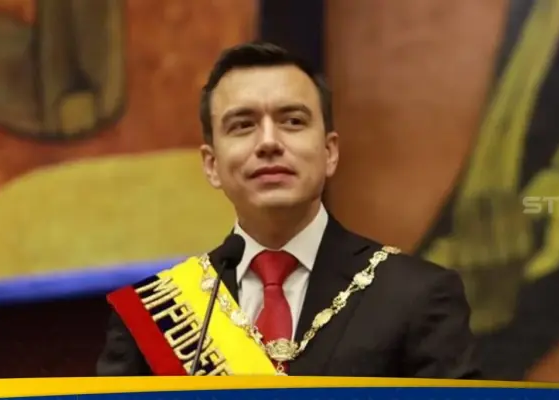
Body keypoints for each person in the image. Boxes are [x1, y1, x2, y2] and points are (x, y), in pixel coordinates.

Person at [96, 41, 481, 378]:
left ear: (329, 153)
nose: (269, 142)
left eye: (293, 121)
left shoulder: (416, 294)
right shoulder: (156, 315)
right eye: (242, 125)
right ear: (211, 165)